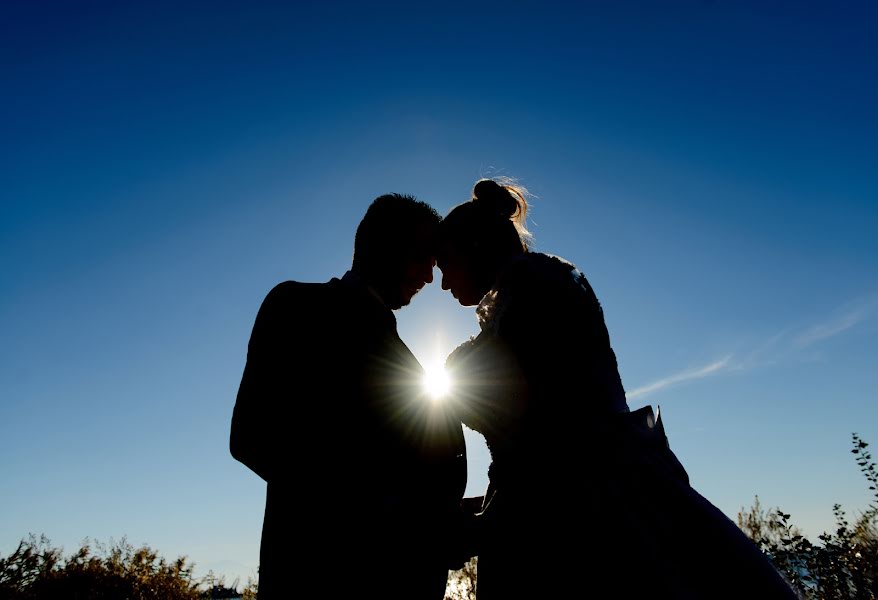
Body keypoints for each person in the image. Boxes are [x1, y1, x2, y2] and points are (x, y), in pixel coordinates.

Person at [438, 178, 798, 599]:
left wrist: (490, 521)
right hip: (582, 495)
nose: (443, 283)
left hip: (591, 513)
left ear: (475, 248)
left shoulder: (534, 288)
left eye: (446, 264)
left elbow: (556, 438)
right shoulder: (530, 288)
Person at [231, 193, 467, 599]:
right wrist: (397, 518)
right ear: (387, 246)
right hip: (324, 577)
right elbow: (252, 437)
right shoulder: (296, 306)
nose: (431, 278)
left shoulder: (406, 357)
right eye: (424, 257)